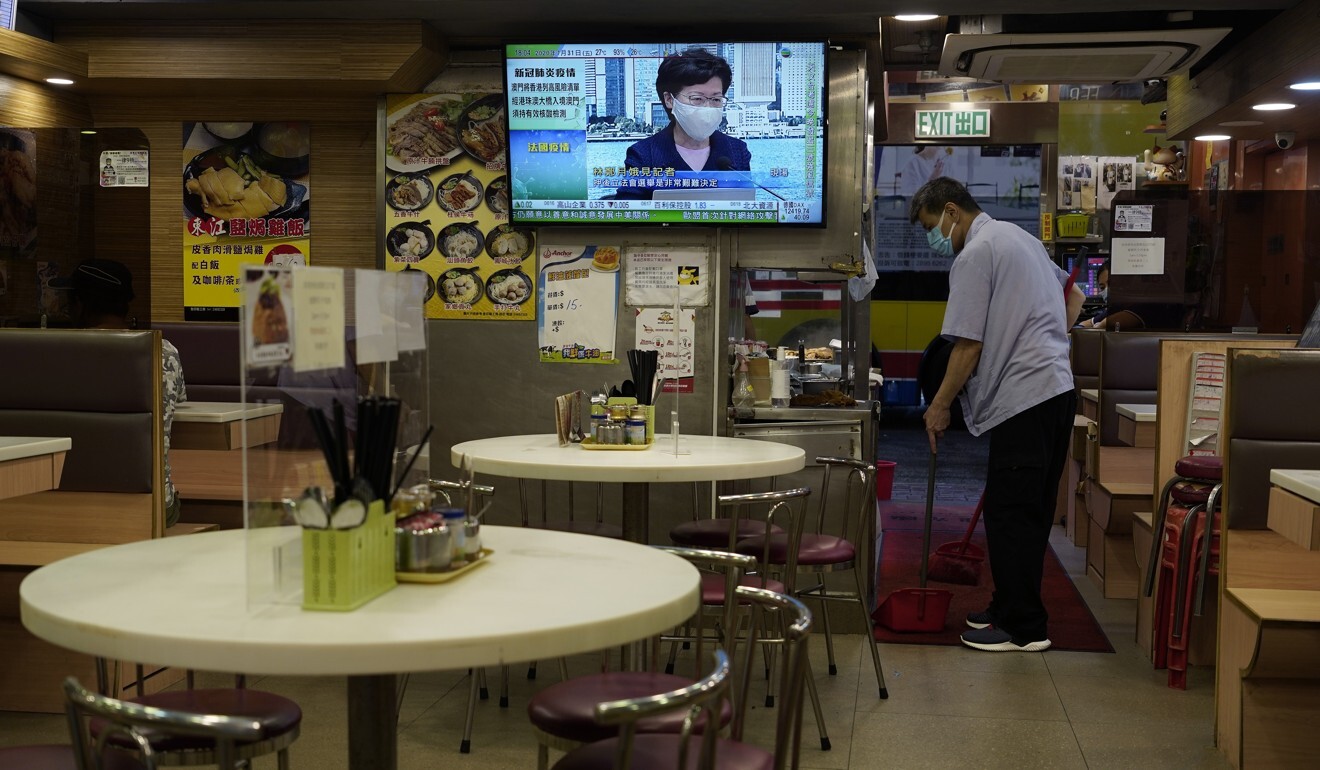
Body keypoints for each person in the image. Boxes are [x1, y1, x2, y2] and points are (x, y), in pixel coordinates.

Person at [910, 177, 1084, 653]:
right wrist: (1043, 345)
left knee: (1011, 514)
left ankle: (1025, 628)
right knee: (1030, 510)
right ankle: (1008, 607)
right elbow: (1075, 298)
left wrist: (939, 406)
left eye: (932, 227)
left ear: (951, 211)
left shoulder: (974, 255)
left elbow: (967, 345)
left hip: (1025, 398)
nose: (935, 238)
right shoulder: (1018, 238)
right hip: (1056, 391)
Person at [53, 259, 188, 527]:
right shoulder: (165, 351)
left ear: (81, 304)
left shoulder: (57, 353)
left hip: (67, 501)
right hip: (156, 505)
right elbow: (178, 405)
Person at [615, 48, 750, 200]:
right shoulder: (644, 155)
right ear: (669, 100)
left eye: (716, 99)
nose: (708, 108)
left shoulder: (737, 151)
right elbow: (629, 215)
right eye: (697, 99)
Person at [1078, 260, 1184, 331]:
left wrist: (1100, 326)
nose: (1107, 290)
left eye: (1111, 283)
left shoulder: (1148, 305)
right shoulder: (1117, 307)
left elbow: (1112, 322)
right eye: (1102, 287)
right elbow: (1088, 323)